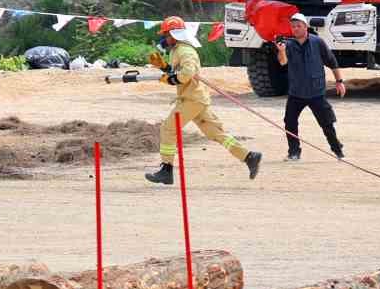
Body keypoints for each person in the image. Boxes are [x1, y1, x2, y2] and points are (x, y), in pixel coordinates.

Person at [145, 16, 263, 184]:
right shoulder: (177, 50)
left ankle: (166, 170)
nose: (165, 38)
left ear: (174, 34)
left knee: (168, 129)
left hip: (191, 100)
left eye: (166, 34)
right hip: (196, 99)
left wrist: (169, 80)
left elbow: (187, 73)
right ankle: (249, 156)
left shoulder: (185, 51)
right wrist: (163, 67)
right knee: (216, 133)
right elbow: (178, 71)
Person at [275, 12, 346, 161]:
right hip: (296, 93)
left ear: (305, 27)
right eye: (293, 26)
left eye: (298, 26)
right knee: (289, 122)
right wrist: (281, 50)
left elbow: (332, 62)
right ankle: (294, 152)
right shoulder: (288, 45)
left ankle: (337, 150)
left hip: (316, 92)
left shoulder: (317, 42)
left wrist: (339, 82)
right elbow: (283, 62)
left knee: (326, 123)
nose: (295, 28)